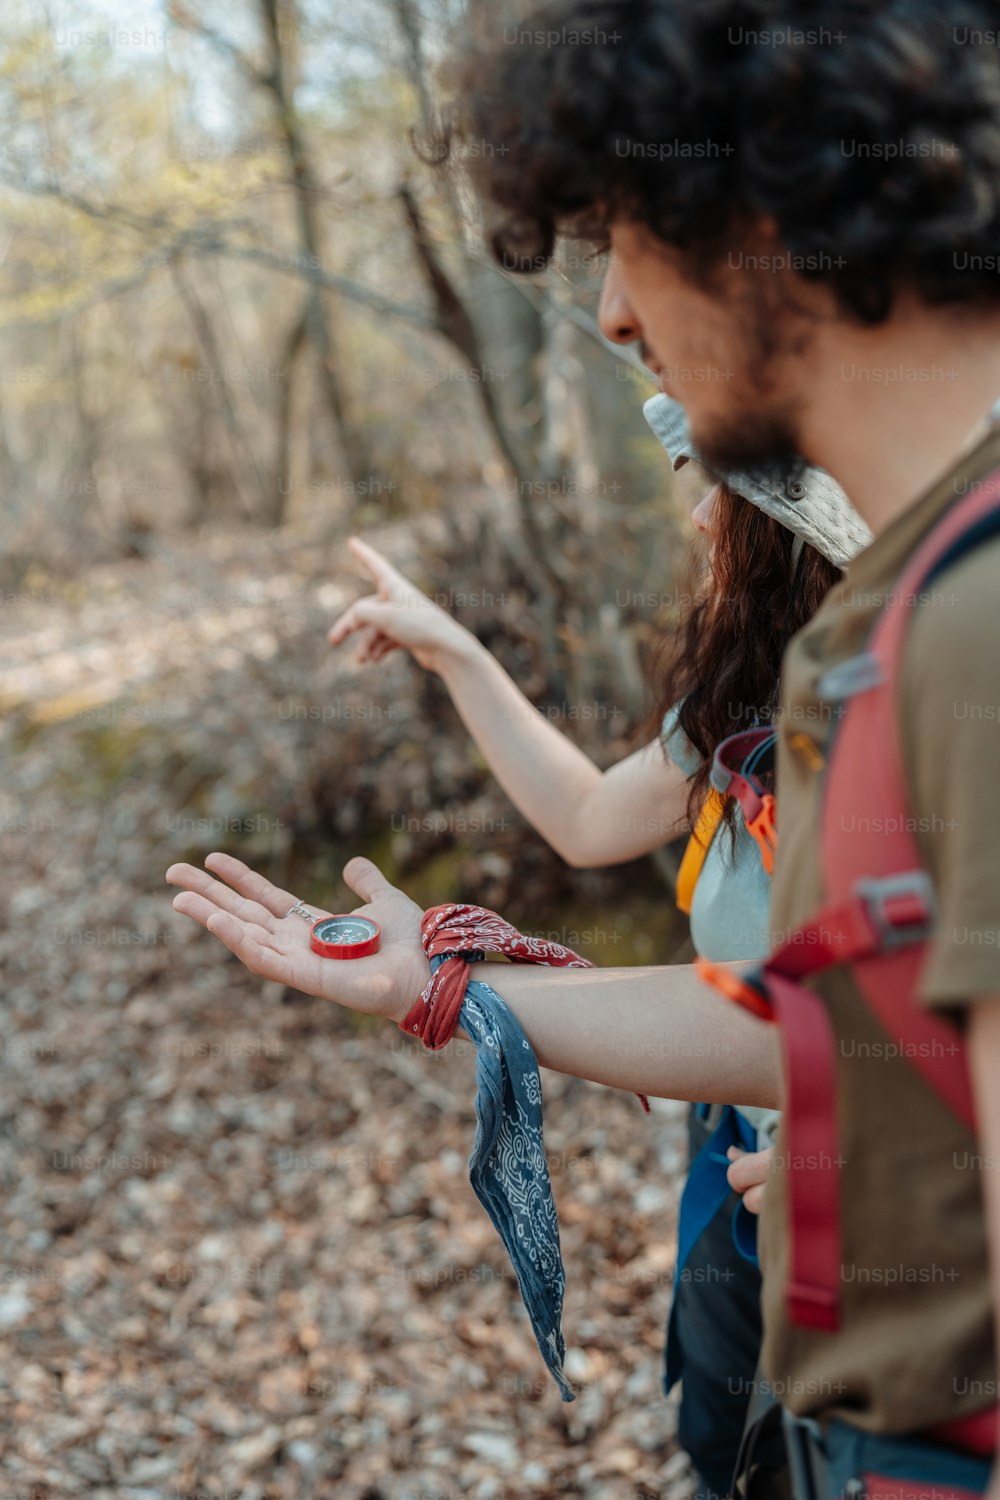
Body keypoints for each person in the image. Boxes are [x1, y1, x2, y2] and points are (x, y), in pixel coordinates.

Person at [168, 3, 1000, 1496]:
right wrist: (451, 985)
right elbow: (817, 1020)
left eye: (627, 234)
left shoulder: (969, 625)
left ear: (768, 203)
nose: (616, 312)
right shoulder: (887, 632)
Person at [325, 393, 867, 1498]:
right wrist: (456, 652)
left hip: (886, 1192)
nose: (705, 523)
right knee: (726, 1449)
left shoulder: (924, 700)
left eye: (720, 488)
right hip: (734, 1157)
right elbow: (585, 820)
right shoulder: (744, 695)